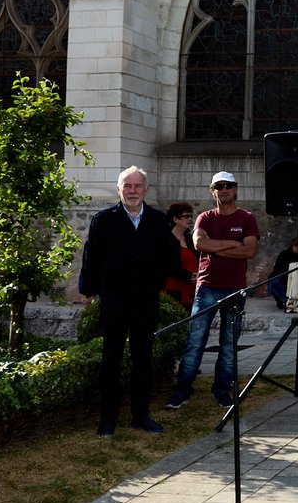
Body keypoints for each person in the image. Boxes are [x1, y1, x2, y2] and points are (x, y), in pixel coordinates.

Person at [79, 166, 178, 437]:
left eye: (137, 186)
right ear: (118, 189)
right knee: (111, 359)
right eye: (127, 186)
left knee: (142, 359)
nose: (132, 191)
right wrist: (88, 291)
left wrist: (158, 282)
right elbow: (92, 258)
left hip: (145, 301)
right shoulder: (103, 220)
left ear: (146, 189)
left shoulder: (159, 221)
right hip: (114, 300)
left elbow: (169, 258)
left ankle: (141, 416)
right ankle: (107, 419)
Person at [165, 171, 259, 410]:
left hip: (235, 289)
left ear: (236, 189)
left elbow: (249, 251)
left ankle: (221, 391)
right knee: (195, 341)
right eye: (219, 186)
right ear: (212, 191)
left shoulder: (247, 218)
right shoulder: (205, 218)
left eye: (228, 185)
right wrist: (230, 244)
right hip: (206, 287)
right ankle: (182, 390)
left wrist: (214, 249)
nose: (224, 189)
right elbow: (199, 244)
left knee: (229, 344)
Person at [163, 202, 197, 309]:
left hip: (192, 290)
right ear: (175, 219)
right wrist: (187, 276)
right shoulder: (165, 239)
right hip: (172, 291)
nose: (190, 219)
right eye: (186, 216)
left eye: (191, 216)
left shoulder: (191, 239)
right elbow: (165, 264)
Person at [267, 238, 298, 310]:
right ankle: (284, 300)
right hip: (282, 276)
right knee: (275, 283)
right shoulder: (284, 254)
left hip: (293, 278)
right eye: (296, 246)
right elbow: (277, 269)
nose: (297, 249)